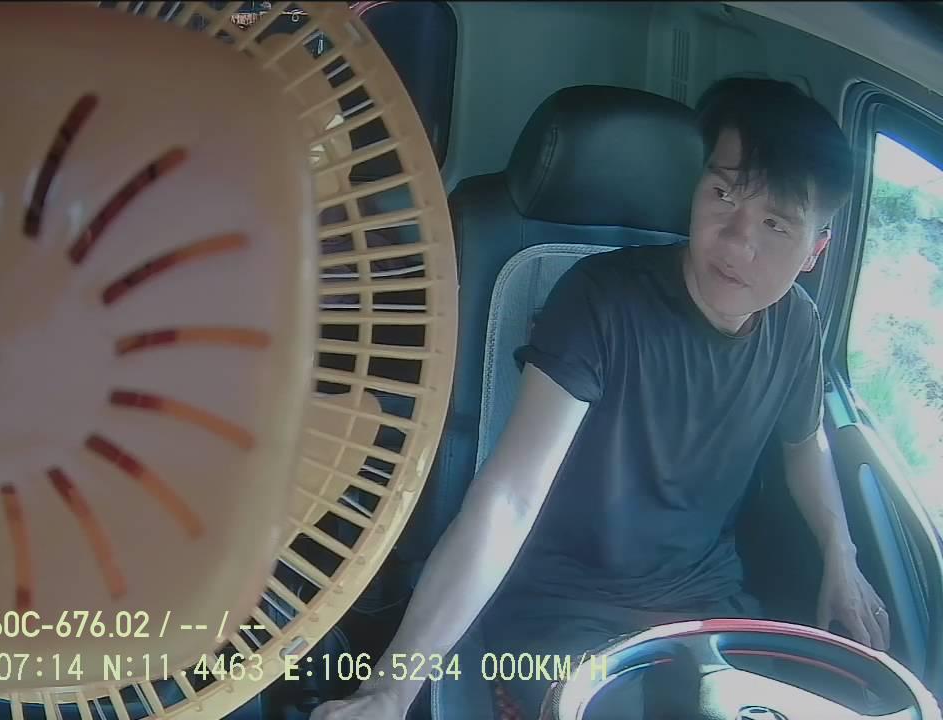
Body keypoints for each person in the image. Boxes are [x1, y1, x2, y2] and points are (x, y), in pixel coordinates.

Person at [310, 77, 892, 720]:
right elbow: (511, 497)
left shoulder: (799, 324)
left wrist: (841, 553)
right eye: (722, 194)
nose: (734, 240)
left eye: (775, 223)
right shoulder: (601, 301)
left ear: (815, 251)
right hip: (564, 608)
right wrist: (392, 688)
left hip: (708, 609)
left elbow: (804, 442)